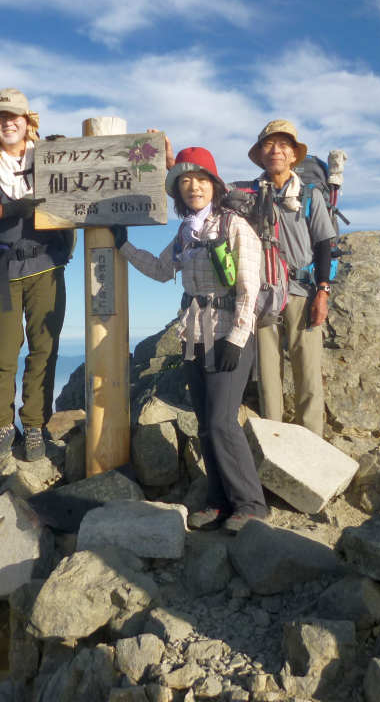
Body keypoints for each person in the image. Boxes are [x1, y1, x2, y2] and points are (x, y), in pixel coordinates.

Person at [111, 147, 267, 534]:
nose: (192, 187)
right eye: (184, 181)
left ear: (213, 184)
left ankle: (250, 504)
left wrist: (238, 335)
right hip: (194, 335)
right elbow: (164, 270)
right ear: (178, 191)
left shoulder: (233, 226)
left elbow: (250, 288)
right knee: (203, 424)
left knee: (222, 423)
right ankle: (219, 502)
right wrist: (124, 246)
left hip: (227, 334)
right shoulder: (187, 231)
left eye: (199, 179)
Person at [0, 88, 70, 464]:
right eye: (1, 118)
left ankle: (35, 424)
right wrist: (10, 209)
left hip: (47, 264)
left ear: (27, 121)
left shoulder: (48, 156)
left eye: (15, 117)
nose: (8, 123)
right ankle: (2, 426)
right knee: (2, 353)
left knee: (44, 348)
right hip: (3, 269)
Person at [247, 120, 336, 436]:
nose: (276, 150)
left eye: (283, 145)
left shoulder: (310, 194)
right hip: (264, 293)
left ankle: (313, 441)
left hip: (301, 289)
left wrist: (323, 291)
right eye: (269, 145)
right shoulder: (250, 194)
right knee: (268, 370)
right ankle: (273, 441)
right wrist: (175, 166)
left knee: (308, 370)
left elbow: (324, 243)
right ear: (261, 153)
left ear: (294, 154)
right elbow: (207, 191)